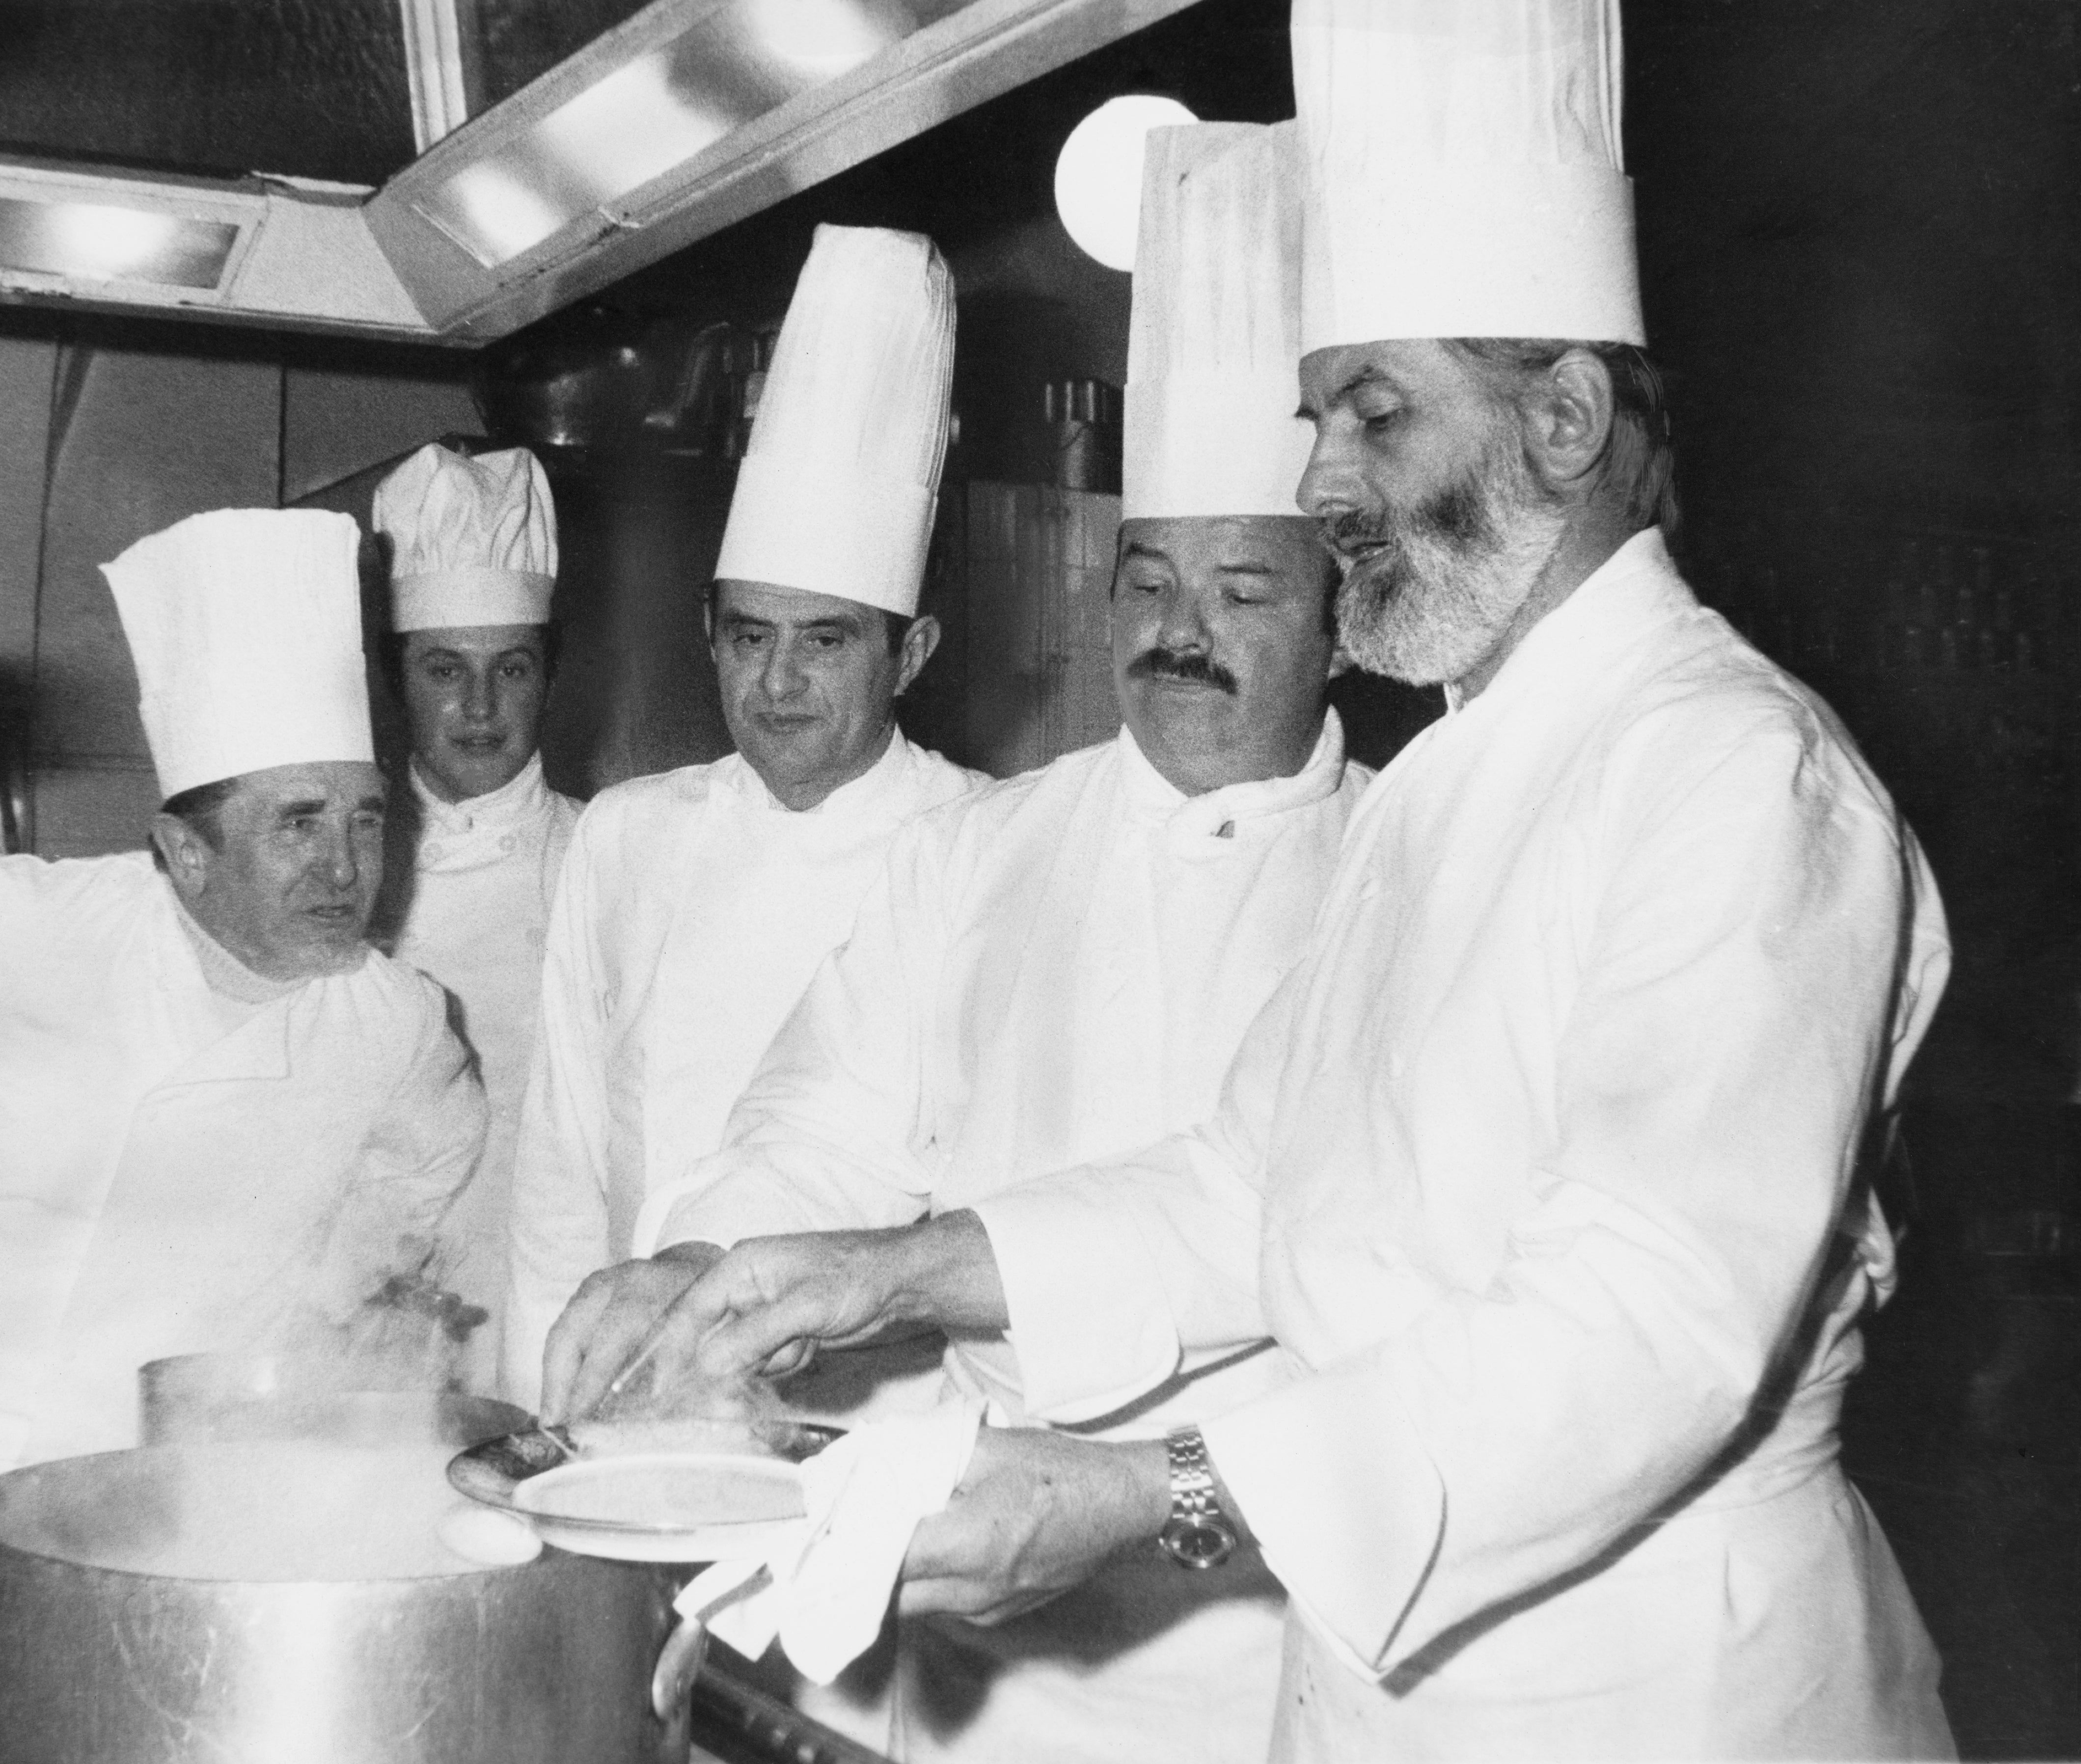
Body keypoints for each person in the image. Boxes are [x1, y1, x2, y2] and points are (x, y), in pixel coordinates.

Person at [623, 2, 1958, 1756]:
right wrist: (891, 1269)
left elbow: (1642, 1323)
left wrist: (1144, 1493)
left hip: (1652, 1700)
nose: (1319, 486)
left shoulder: (1732, 774)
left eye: (1371, 415)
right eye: (1317, 418)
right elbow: (1254, 1179)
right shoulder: (1446, 786)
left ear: (1563, 420)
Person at [547, 124, 1360, 1764]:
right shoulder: (995, 844)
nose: (1176, 635)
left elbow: (1283, 1228)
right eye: (1144, 579)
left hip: (1273, 1611)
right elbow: (825, 1107)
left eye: (1244, 591)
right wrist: (707, 1263)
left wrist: (900, 1280)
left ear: (1345, 609)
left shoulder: (1400, 869)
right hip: (972, 1605)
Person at [0, 509, 485, 1553]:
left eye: (365, 819)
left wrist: (349, 1299)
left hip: (175, 1510)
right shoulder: (34, 928)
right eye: (298, 824)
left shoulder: (392, 1020)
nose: (345, 871)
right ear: (185, 849)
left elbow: (429, 1156)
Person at [498, 224, 984, 1410]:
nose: (776, 685)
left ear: (908, 652)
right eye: (748, 636)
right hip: (625, 1403)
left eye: (824, 642)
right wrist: (537, 1423)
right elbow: (561, 1163)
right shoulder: (626, 834)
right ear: (706, 635)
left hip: (871, 1429)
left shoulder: (982, 847)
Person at [372, 442, 584, 1392]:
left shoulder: (608, 855)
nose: (480, 707)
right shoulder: (349, 872)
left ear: (549, 675)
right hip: (374, 1308)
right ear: (396, 680)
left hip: (564, 1294)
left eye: (512, 669)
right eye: (443, 670)